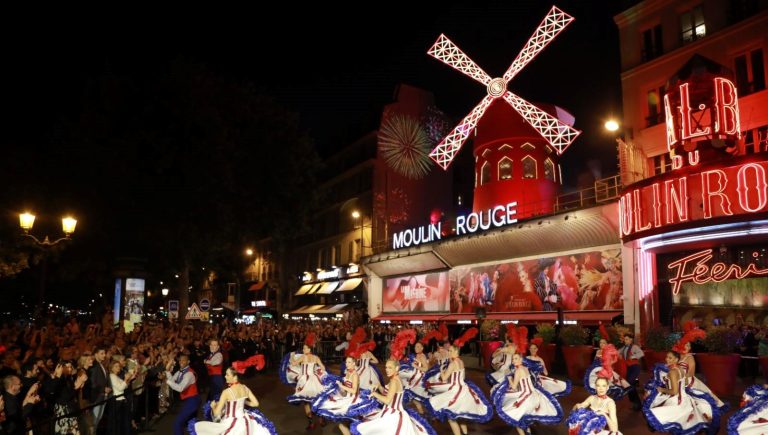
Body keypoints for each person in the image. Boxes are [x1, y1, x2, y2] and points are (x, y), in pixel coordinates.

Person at [351, 329, 436, 435]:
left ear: (396, 369)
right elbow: (388, 393)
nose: (387, 369)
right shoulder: (394, 380)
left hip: (393, 415)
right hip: (390, 413)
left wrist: (374, 393)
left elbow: (387, 400)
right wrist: (378, 386)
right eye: (386, 367)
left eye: (390, 368)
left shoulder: (395, 381)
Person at [425, 328, 492, 435]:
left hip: (455, 390)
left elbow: (444, 378)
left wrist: (442, 370)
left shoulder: (452, 364)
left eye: (451, 351)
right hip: (463, 389)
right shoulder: (461, 362)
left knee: (452, 417)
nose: (449, 352)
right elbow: (463, 376)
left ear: (456, 351)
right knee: (460, 416)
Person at [642, 350, 721, 434]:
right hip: (685, 398)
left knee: (654, 414)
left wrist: (662, 389)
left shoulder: (672, 372)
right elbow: (686, 383)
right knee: (680, 426)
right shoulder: (681, 369)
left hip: (676, 401)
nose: (667, 359)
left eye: (670, 358)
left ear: (676, 360)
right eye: (666, 357)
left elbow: (674, 392)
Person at [493, 352, 563, 435]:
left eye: (516, 359)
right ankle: (529, 432)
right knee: (523, 419)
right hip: (534, 396)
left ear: (521, 359)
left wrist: (509, 379)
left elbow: (514, 387)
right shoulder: (525, 368)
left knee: (515, 419)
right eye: (512, 359)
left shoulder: (518, 370)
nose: (513, 361)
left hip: (527, 398)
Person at [192, 367, 276, 435]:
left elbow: (217, 414)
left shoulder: (226, 392)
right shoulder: (245, 388)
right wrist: (244, 401)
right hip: (245, 421)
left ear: (234, 377)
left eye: (227, 375)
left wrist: (213, 407)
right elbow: (255, 403)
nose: (225, 376)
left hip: (231, 422)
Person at [311, 355, 376, 435]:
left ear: (354, 363)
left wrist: (342, 386)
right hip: (347, 398)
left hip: (354, 401)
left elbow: (354, 390)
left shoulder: (355, 375)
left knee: (349, 425)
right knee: (343, 424)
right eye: (346, 362)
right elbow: (345, 391)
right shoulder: (348, 372)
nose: (347, 364)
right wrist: (338, 387)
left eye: (349, 362)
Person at [673, 321, 728, 412]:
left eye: (689, 345)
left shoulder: (690, 357)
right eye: (685, 345)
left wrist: (684, 379)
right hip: (678, 381)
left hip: (688, 381)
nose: (687, 347)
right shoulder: (678, 356)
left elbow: (691, 373)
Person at [283, 333, 327, 430]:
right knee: (316, 399)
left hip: (304, 381)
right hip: (314, 380)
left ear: (309, 349)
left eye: (305, 348)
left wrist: (291, 355)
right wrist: (321, 373)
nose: (303, 350)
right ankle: (321, 417)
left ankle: (311, 423)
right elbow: (323, 367)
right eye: (303, 348)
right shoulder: (316, 358)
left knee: (306, 402)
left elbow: (293, 363)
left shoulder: (303, 357)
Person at [165, 354, 200, 435]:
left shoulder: (189, 374)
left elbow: (180, 388)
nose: (181, 362)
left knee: (177, 423)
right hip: (188, 400)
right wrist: (167, 371)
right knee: (192, 425)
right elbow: (172, 380)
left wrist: (167, 381)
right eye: (180, 360)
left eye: (183, 360)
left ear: (188, 362)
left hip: (192, 400)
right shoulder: (180, 371)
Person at [398, 341, 430, 415]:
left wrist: (416, 366)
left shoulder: (422, 356)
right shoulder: (415, 355)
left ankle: (402, 414)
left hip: (418, 379)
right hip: (413, 377)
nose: (416, 348)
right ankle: (422, 414)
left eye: (418, 347)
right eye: (415, 346)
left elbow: (426, 369)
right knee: (415, 399)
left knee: (410, 395)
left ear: (422, 348)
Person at [108, 359, 135, 435]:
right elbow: (120, 388)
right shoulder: (112, 376)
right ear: (111, 368)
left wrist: (128, 380)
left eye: (118, 366)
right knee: (118, 422)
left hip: (121, 400)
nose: (118, 368)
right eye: (116, 366)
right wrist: (126, 379)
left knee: (122, 421)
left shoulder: (116, 376)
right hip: (117, 401)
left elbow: (125, 386)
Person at [618, 331, 643, 410]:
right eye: (625, 339)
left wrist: (634, 356)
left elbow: (641, 353)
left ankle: (636, 403)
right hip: (628, 368)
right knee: (629, 385)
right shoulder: (624, 348)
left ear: (631, 340)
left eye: (627, 339)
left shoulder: (634, 347)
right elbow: (617, 352)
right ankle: (636, 403)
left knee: (629, 384)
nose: (625, 341)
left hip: (634, 367)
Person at [88, 346, 112, 430]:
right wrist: (103, 389)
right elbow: (93, 383)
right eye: (102, 353)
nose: (104, 355)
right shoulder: (93, 366)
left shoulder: (101, 365)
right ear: (95, 354)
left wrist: (107, 388)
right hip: (96, 397)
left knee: (98, 420)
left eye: (104, 353)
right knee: (94, 421)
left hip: (103, 396)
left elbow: (104, 379)